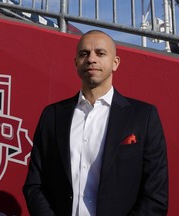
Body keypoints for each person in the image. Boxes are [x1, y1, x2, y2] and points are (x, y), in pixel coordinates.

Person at [22, 30, 168, 216]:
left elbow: (155, 195)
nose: (91, 59)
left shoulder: (143, 116)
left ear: (115, 63)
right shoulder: (53, 115)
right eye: (84, 54)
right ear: (76, 63)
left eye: (100, 53)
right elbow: (35, 184)